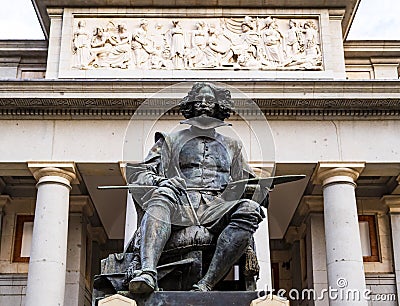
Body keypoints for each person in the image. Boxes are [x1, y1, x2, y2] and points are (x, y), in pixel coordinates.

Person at [126, 82, 266, 293]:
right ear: (189, 106)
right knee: (162, 195)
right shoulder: (170, 141)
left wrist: (257, 189)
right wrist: (162, 182)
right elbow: (139, 175)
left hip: (219, 208)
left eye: (209, 101)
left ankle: (206, 283)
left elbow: (249, 183)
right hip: (179, 204)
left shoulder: (233, 146)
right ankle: (147, 273)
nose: (203, 104)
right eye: (198, 100)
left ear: (220, 107)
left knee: (249, 209)